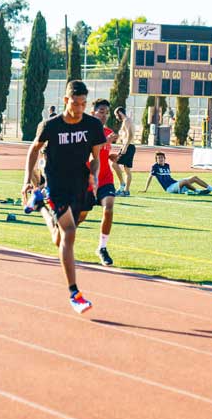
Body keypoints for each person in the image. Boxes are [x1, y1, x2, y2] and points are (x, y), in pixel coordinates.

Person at [23, 80, 106, 314]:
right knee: (70, 233)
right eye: (75, 103)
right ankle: (74, 293)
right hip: (56, 183)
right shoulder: (50, 125)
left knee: (60, 240)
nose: (78, 109)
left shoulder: (92, 125)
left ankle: (40, 207)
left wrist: (95, 175)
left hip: (79, 183)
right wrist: (27, 179)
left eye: (82, 104)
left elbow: (96, 155)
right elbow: (34, 149)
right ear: (65, 100)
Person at [76, 99, 119, 266]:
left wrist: (112, 156)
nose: (104, 115)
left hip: (105, 180)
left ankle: (102, 247)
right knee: (81, 217)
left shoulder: (108, 131)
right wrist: (105, 142)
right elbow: (87, 153)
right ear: (93, 112)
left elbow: (103, 155)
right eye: (101, 111)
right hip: (88, 180)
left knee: (108, 208)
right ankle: (66, 238)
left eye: (107, 113)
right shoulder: (85, 131)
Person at [144, 152, 212, 195]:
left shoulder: (167, 165)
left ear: (164, 158)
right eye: (158, 158)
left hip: (175, 184)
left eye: (162, 157)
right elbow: (150, 177)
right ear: (156, 160)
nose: (160, 159)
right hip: (169, 188)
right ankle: (198, 191)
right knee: (184, 181)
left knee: (194, 177)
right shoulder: (155, 166)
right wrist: (145, 189)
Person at [111, 106, 135, 196]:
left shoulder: (126, 120)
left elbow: (130, 134)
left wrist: (125, 147)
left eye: (116, 115)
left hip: (128, 146)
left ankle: (122, 185)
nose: (116, 117)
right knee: (127, 170)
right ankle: (126, 191)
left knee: (114, 164)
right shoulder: (127, 121)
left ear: (120, 113)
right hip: (130, 146)